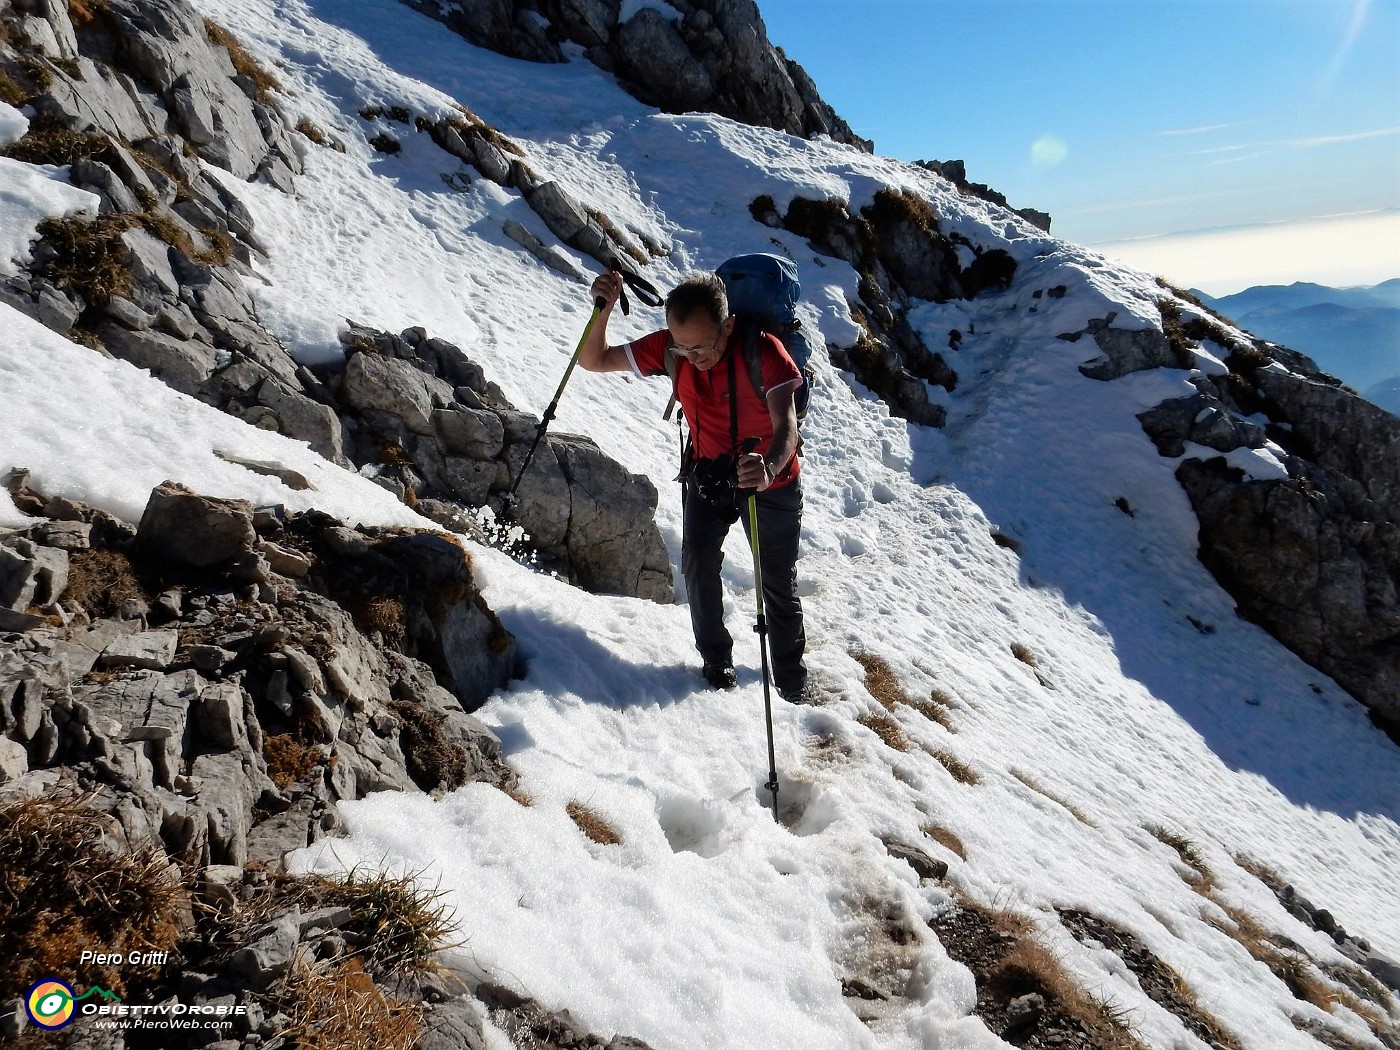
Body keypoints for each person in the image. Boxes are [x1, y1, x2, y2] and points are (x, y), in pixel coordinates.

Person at [580, 269, 811, 702]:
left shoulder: (764, 351)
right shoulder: (672, 349)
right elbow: (594, 359)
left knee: (777, 580)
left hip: (771, 481)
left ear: (727, 326)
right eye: (681, 346)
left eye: (701, 347)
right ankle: (716, 662)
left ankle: (792, 682)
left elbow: (788, 427)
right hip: (707, 474)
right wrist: (603, 311)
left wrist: (769, 468)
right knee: (698, 564)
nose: (690, 357)